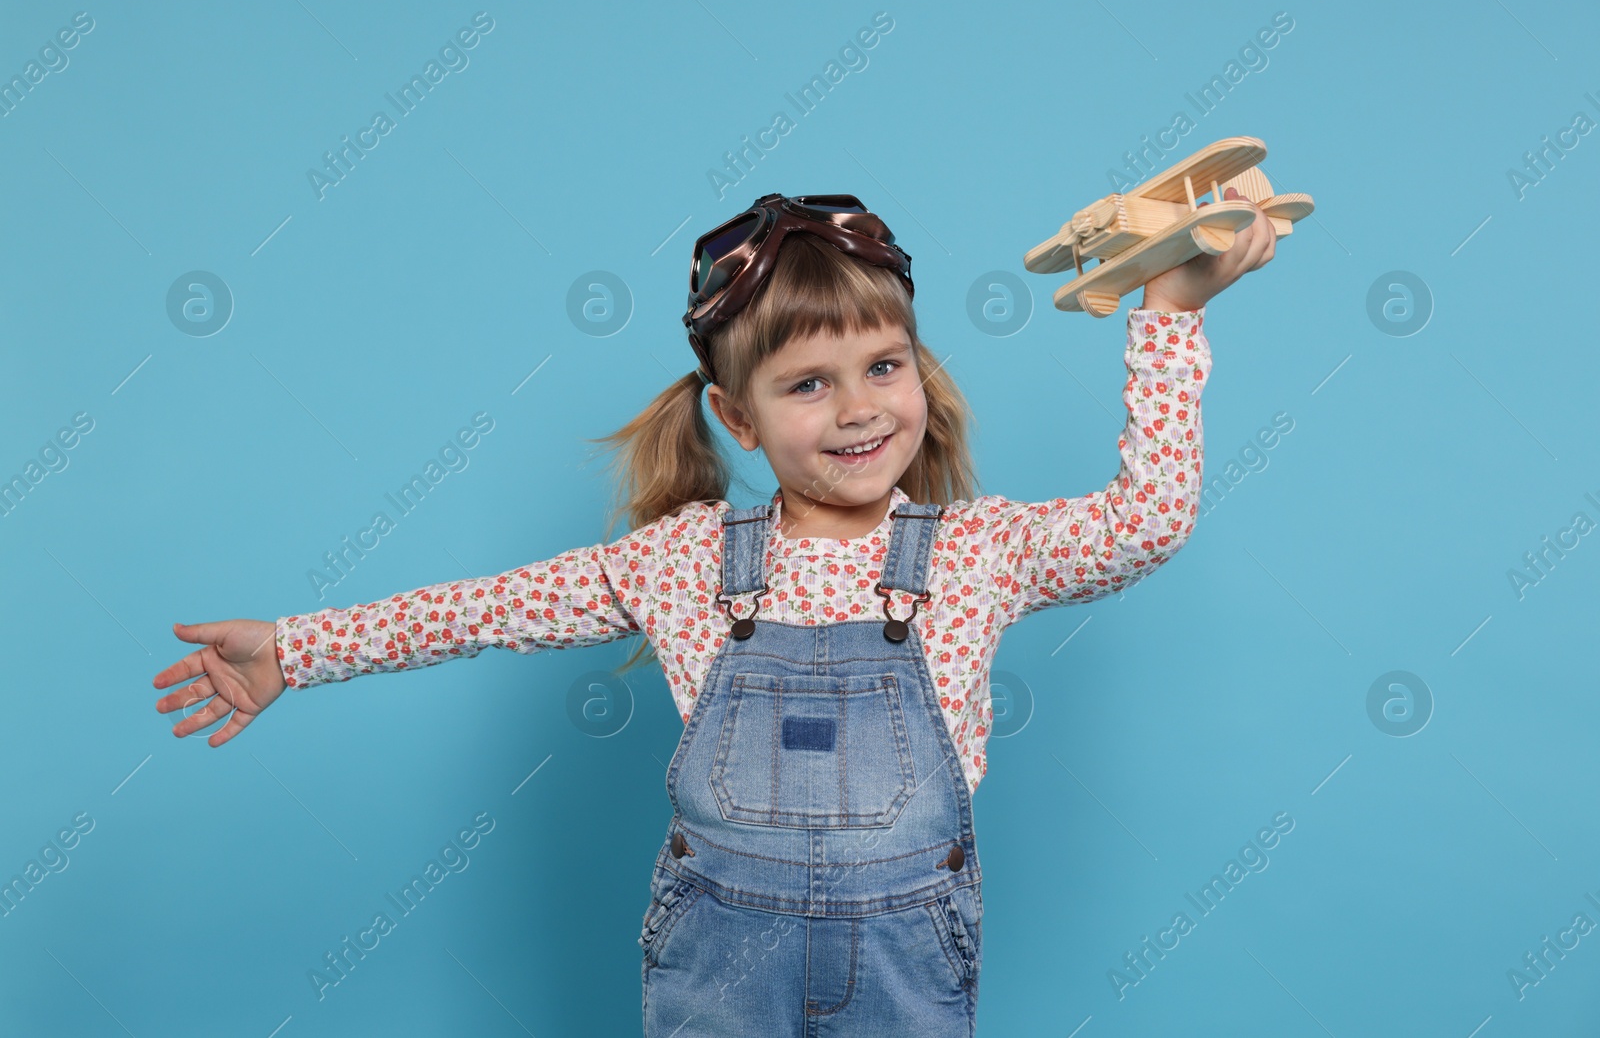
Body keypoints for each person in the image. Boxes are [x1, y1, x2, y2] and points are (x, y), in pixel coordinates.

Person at [153, 189, 1274, 1035]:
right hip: (718, 963)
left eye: (882, 365)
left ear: (921, 379)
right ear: (737, 417)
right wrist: (292, 651)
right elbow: (482, 609)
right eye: (806, 383)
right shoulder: (687, 559)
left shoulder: (982, 549)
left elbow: (1148, 518)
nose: (856, 409)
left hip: (904, 960)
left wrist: (1166, 313)